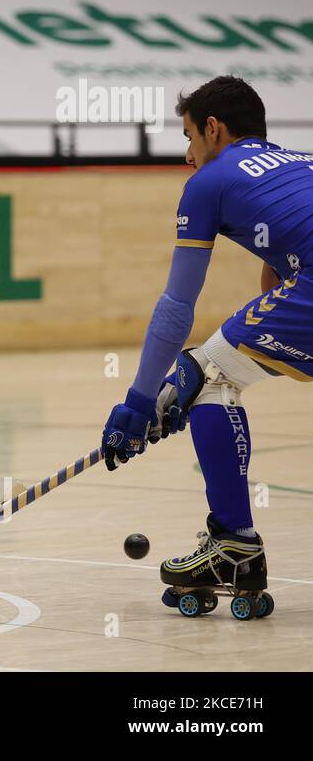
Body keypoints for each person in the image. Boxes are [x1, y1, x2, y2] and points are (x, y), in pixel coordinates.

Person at [100, 75, 311, 619]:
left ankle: (233, 545)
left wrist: (142, 401)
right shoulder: (301, 165)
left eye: (190, 136)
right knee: (214, 370)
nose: (188, 154)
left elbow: (176, 308)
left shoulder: (211, 180)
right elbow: (278, 278)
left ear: (214, 129)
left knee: (205, 376)